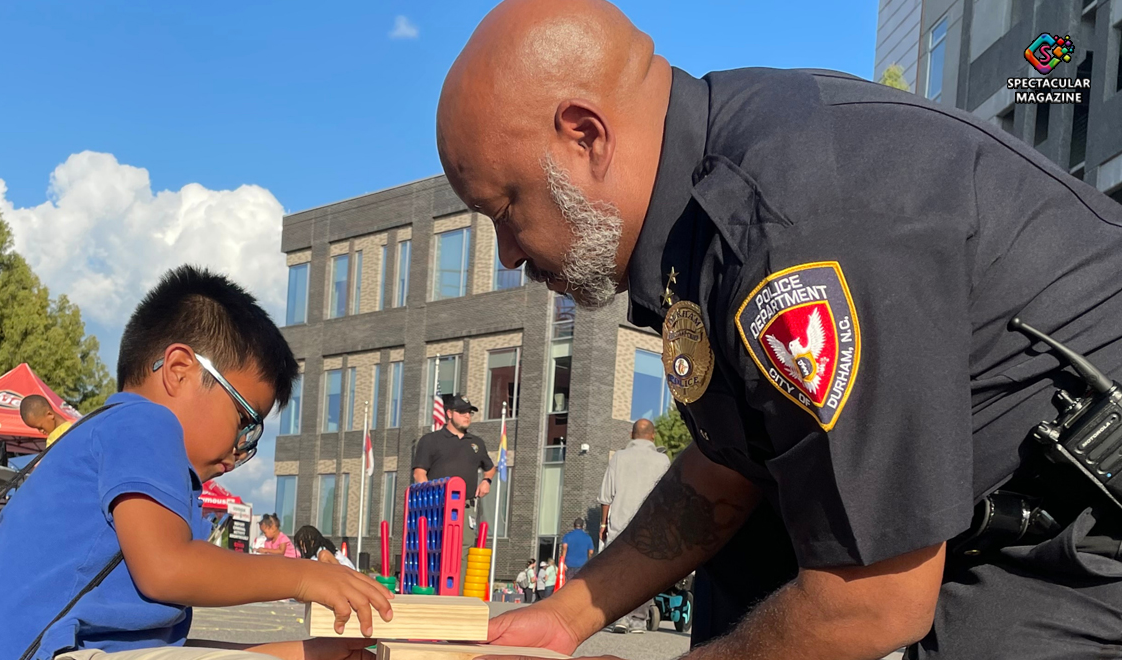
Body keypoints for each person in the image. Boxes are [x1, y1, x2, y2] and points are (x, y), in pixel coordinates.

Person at [436, 1, 1122, 658]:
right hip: (1006, 505)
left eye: (506, 209)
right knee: (745, 571)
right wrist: (563, 616)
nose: (509, 255)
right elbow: (731, 469)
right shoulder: (701, 207)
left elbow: (875, 597)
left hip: (1086, 510)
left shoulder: (788, 228)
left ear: (586, 136)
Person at [0, 266, 393, 660]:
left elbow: (162, 651)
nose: (240, 451)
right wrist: (305, 576)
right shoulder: (144, 421)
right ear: (179, 371)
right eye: (245, 423)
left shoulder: (120, 442)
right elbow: (166, 568)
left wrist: (303, 653)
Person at [598, 420, 670, 633]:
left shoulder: (619, 458)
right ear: (653, 436)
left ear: (632, 434)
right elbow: (667, 497)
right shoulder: (663, 460)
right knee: (644, 573)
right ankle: (639, 620)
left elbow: (606, 495)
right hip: (651, 525)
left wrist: (603, 523)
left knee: (620, 571)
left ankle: (620, 618)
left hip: (621, 524)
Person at [412, 394, 495, 573]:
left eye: (470, 413)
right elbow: (419, 473)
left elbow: (490, 468)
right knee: (436, 549)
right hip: (438, 505)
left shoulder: (476, 443)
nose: (467, 416)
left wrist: (486, 481)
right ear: (449, 413)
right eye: (462, 412)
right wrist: (430, 498)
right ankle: (434, 594)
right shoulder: (430, 440)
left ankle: (458, 597)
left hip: (465, 507)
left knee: (463, 550)